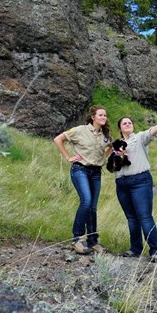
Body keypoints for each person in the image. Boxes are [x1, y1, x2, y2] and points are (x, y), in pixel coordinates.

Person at [54, 105, 112, 255]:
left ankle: (92, 241)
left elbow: (110, 147)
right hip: (80, 169)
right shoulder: (80, 130)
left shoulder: (105, 136)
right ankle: (77, 239)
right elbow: (58, 139)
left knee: (93, 207)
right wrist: (68, 157)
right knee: (86, 201)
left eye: (105, 116)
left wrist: (104, 158)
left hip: (96, 172)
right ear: (93, 117)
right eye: (100, 115)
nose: (103, 118)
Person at [114, 115, 157, 263]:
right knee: (131, 218)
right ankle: (135, 249)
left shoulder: (139, 138)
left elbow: (150, 132)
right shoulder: (116, 145)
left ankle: (155, 250)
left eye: (130, 122)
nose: (127, 124)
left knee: (144, 217)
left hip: (140, 181)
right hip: (121, 183)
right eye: (124, 123)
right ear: (120, 128)